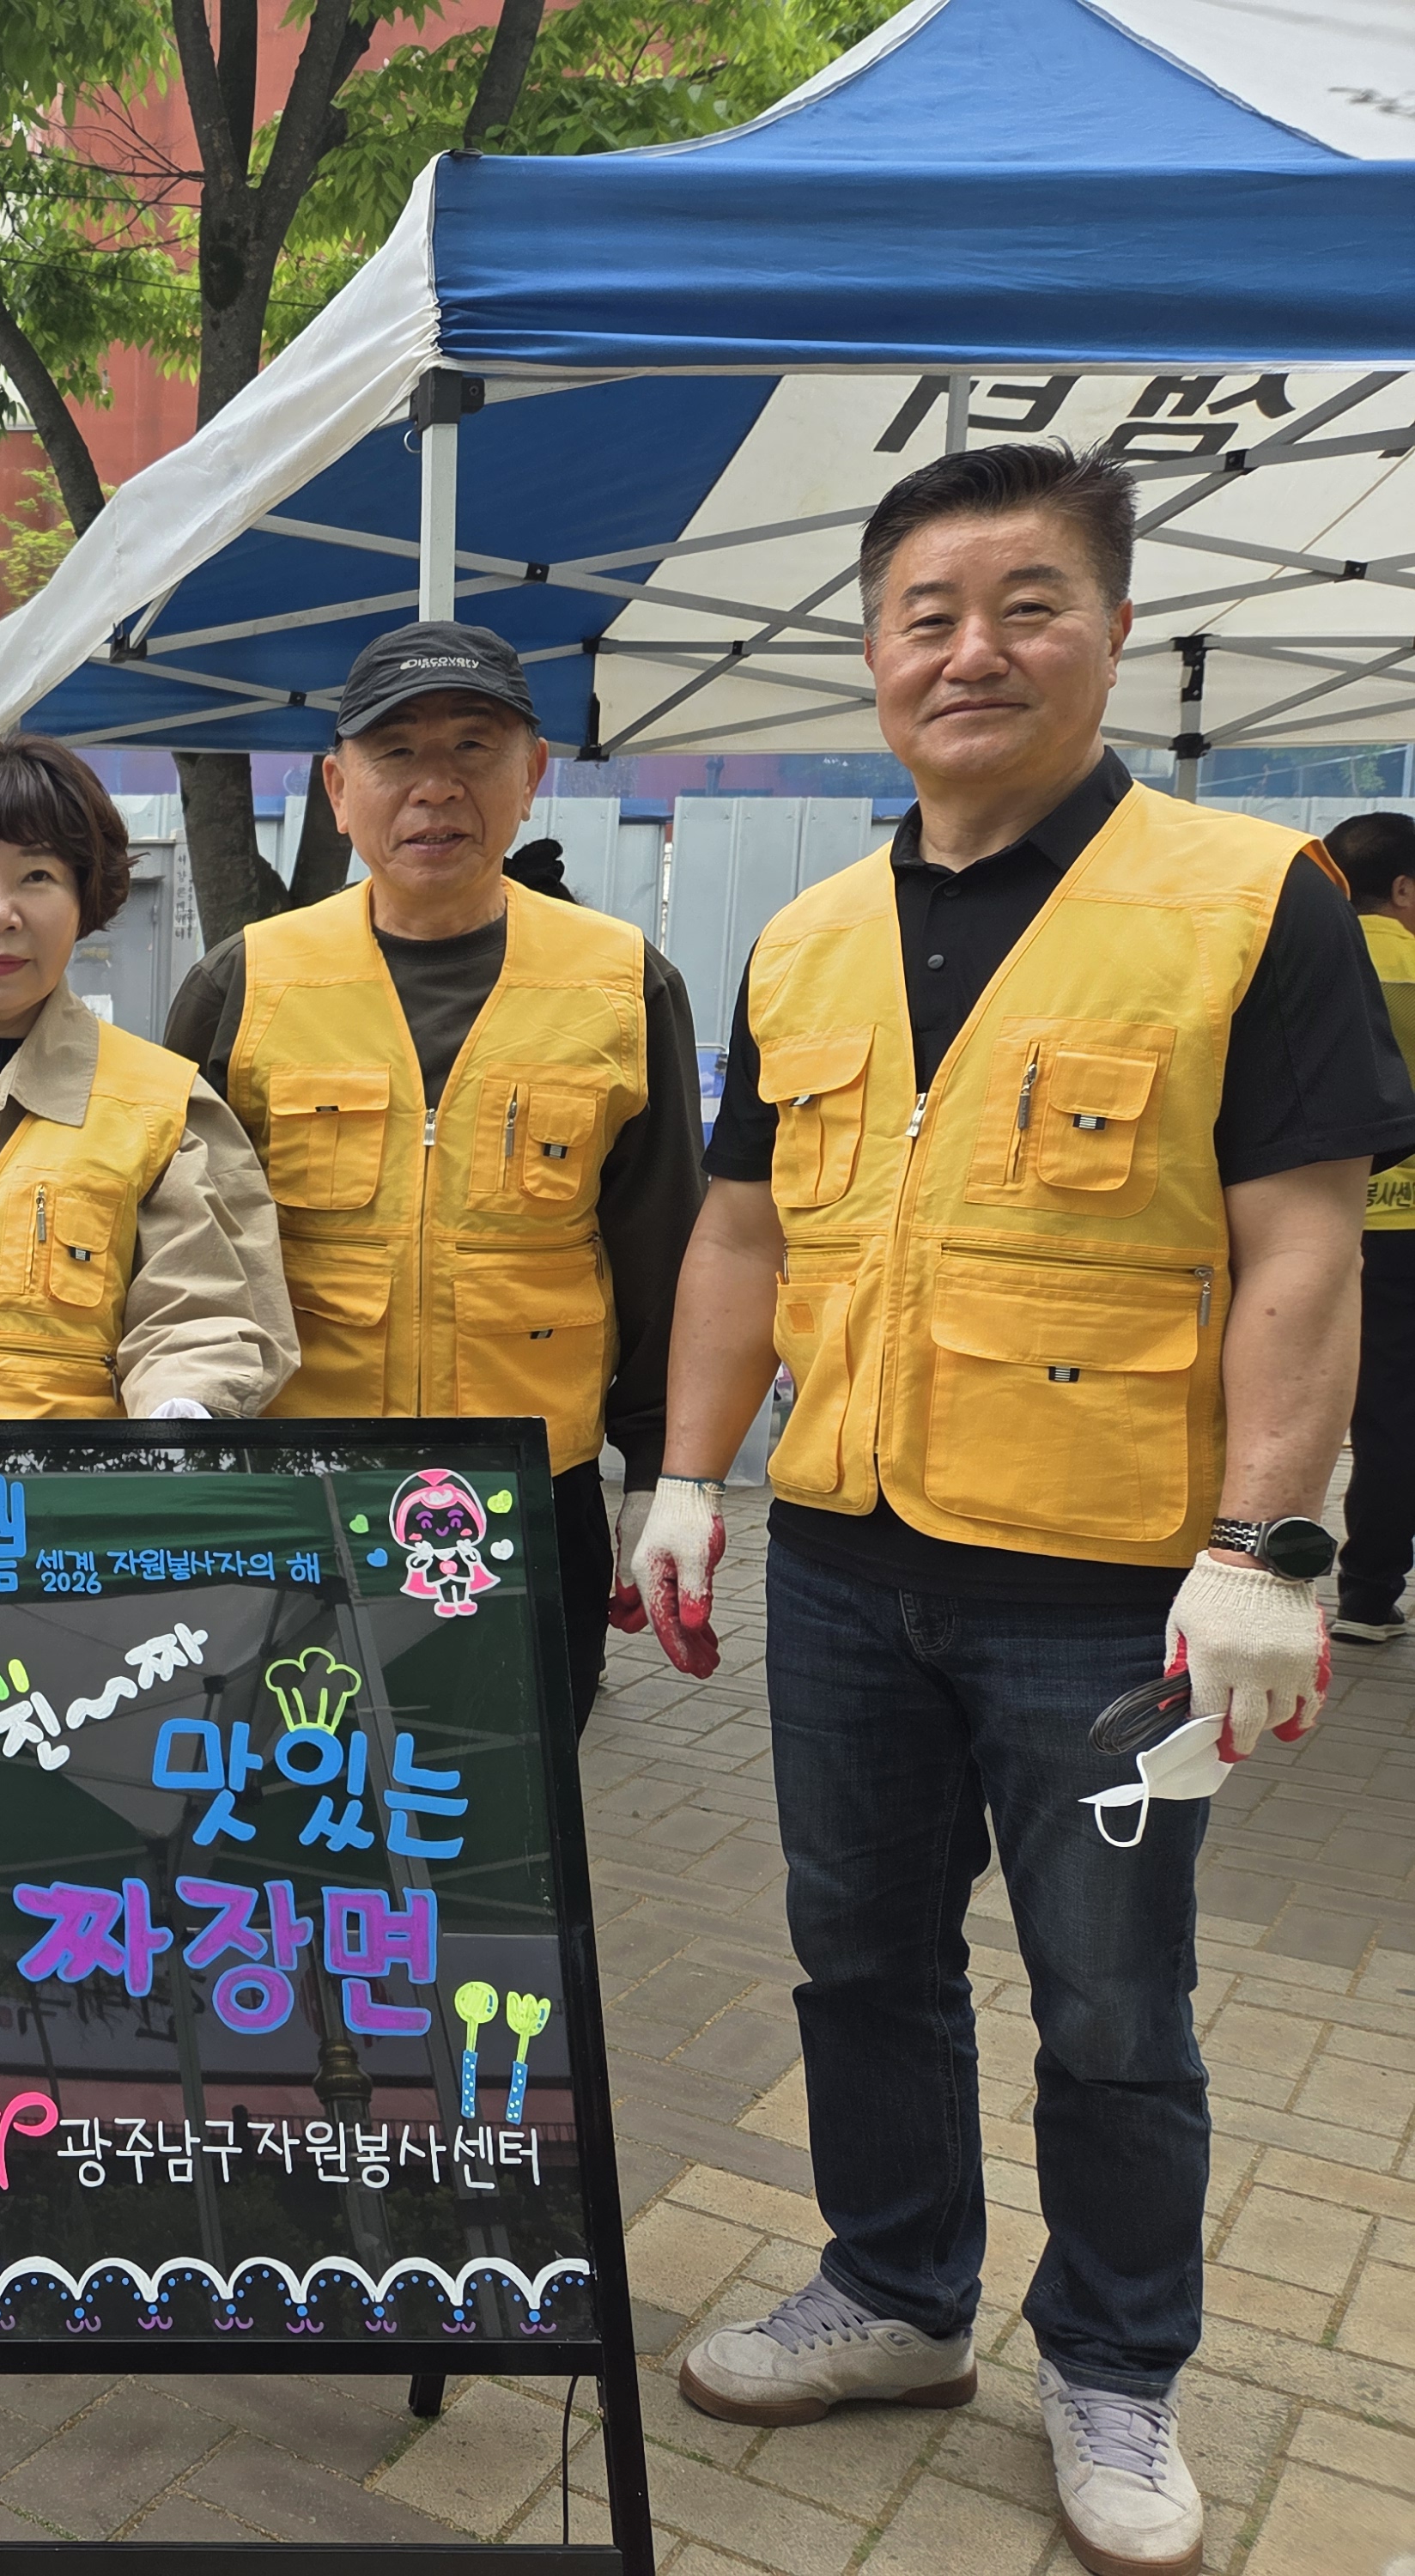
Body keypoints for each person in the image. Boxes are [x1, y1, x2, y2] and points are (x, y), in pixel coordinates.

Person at [631, 443, 1415, 2576]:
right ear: (871, 653)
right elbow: (736, 1232)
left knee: (1111, 2001)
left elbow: (1299, 1242)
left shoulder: (1246, 901)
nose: (969, 649)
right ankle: (892, 2293)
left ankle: (1115, 2363)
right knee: (856, 1957)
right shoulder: (802, 935)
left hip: (1115, 1599)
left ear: (1111, 631)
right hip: (844, 1566)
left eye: (1026, 604)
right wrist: (683, 1474)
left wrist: (1268, 1546)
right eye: (927, 614)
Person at [0, 733, 293, 2196]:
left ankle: (46, 2177)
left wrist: (173, 1440)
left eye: (37, 877)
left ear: (89, 901)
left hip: (64, 1597)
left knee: (63, 1891)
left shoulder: (158, 1102)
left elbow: (207, 1319)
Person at [165, 624, 706, 1731]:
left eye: (472, 748)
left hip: (526, 1486)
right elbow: (168, 1245)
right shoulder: (246, 981)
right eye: (396, 753)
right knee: (290, 1785)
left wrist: (661, 1471)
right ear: (337, 788)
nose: (435, 788)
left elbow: (664, 1245)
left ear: (531, 774)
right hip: (290, 1486)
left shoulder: (621, 983)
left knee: (502, 1797)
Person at [1327, 810, 1415, 1643]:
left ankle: (1253, 1570)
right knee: (1391, 1406)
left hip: (1308, 1217)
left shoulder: (1299, 957)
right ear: (1401, 887)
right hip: (1406, 1225)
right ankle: (1366, 1595)